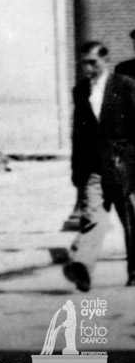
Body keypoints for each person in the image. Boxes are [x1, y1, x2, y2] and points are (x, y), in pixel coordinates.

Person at [64, 41, 135, 291]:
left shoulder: (124, 85)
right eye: (84, 63)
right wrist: (77, 171)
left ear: (105, 60)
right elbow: (78, 133)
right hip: (93, 166)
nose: (88, 68)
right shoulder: (80, 90)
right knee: (93, 216)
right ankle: (82, 267)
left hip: (122, 164)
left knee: (130, 220)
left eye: (92, 62)